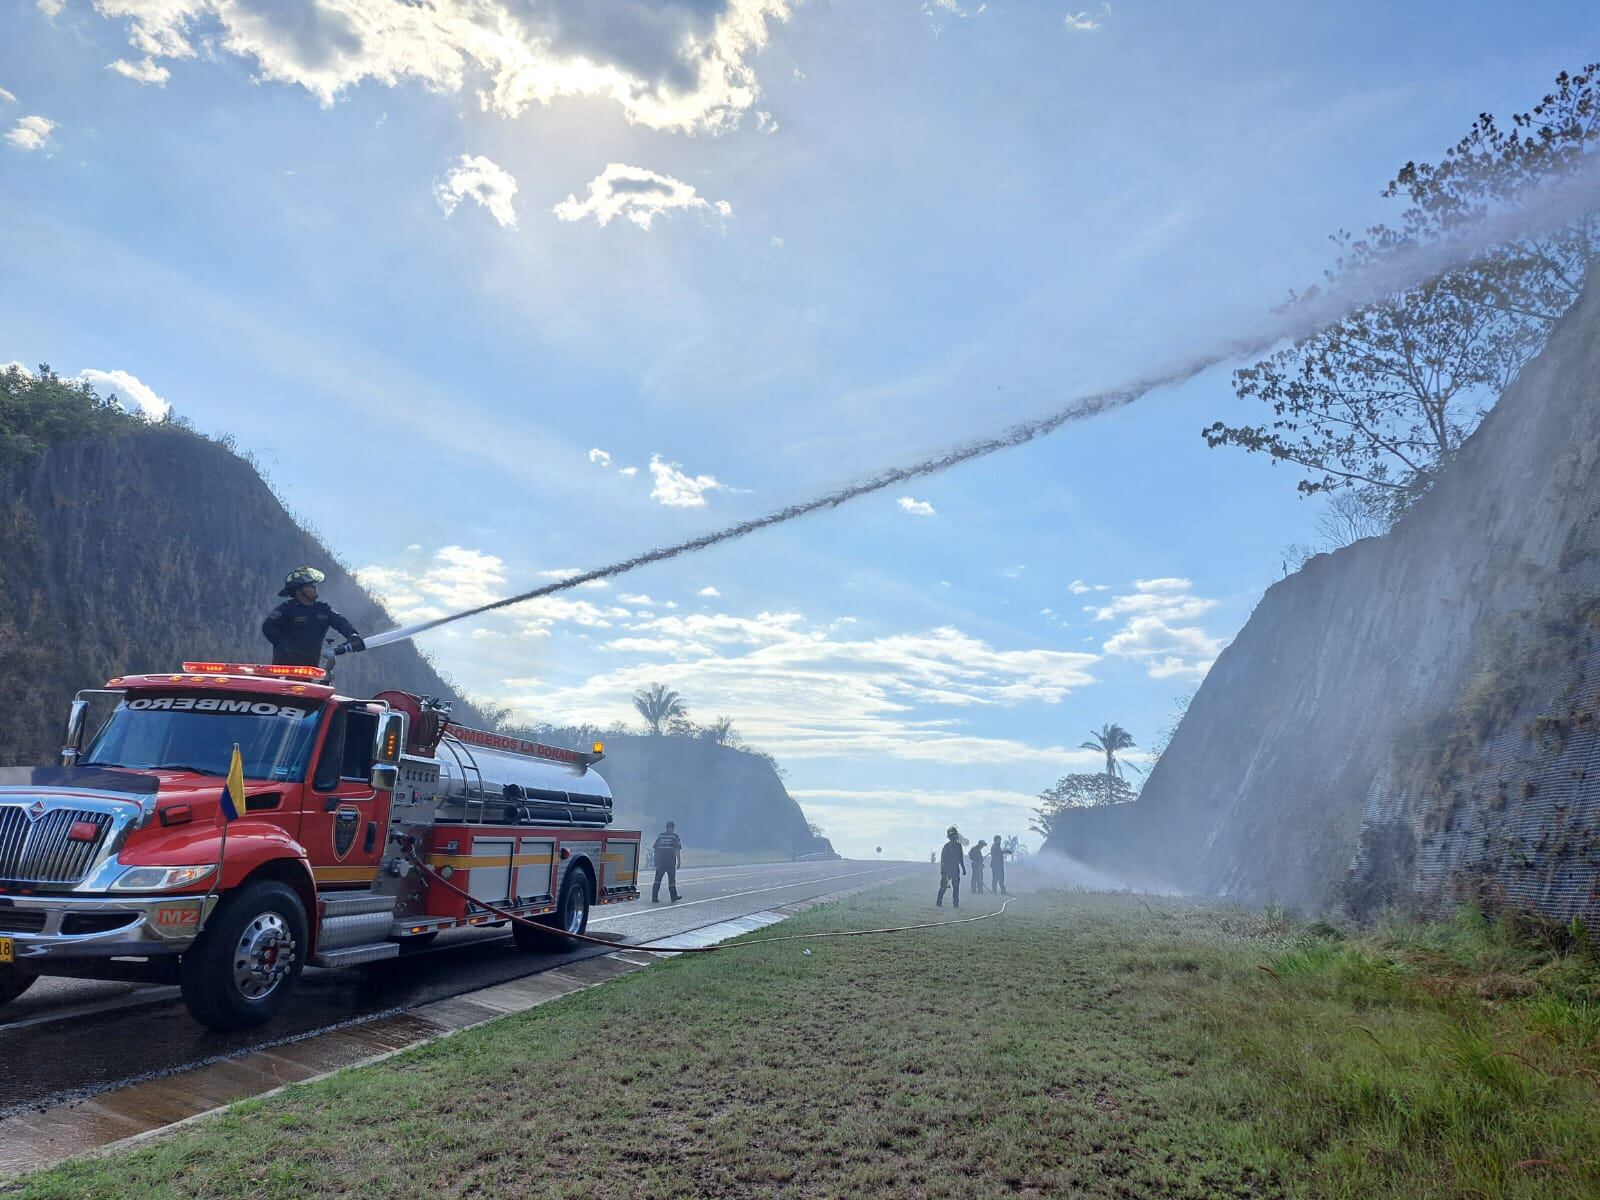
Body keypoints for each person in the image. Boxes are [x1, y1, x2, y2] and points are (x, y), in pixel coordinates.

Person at [262, 567, 364, 668]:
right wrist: (284, 645)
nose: (314, 588)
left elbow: (341, 622)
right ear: (298, 592)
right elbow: (268, 627)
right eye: (309, 585)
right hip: (283, 668)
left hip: (310, 669)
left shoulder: (323, 609)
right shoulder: (286, 608)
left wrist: (352, 635)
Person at [652, 821, 683, 903]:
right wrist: (679, 861)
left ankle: (654, 897)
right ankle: (673, 896)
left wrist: (655, 861)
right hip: (670, 861)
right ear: (672, 827)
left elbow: (656, 849)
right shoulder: (675, 837)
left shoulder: (660, 836)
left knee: (657, 880)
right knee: (671, 881)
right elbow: (677, 850)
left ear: (666, 827)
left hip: (660, 861)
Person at [936, 826, 966, 908]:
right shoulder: (946, 846)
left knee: (956, 887)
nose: (954, 837)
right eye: (952, 835)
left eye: (955, 835)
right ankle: (939, 902)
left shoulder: (958, 846)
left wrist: (963, 868)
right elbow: (943, 859)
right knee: (943, 886)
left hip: (955, 869)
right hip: (947, 869)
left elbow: (960, 858)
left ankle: (956, 904)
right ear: (949, 837)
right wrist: (943, 871)